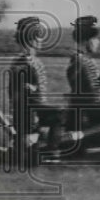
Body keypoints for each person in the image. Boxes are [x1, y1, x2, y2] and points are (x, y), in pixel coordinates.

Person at [9, 17, 63, 161]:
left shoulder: (30, 61)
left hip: (34, 112)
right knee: (61, 113)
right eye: (39, 37)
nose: (41, 40)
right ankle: (52, 151)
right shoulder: (24, 64)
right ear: (30, 40)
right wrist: (35, 124)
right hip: (28, 116)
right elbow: (21, 100)